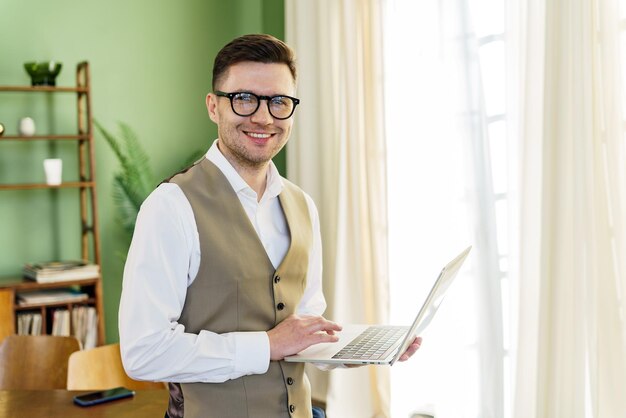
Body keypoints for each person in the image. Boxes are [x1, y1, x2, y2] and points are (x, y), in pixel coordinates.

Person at [118, 34, 421, 418]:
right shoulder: (170, 207)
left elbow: (303, 333)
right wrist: (267, 345)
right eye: (244, 98)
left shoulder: (302, 206)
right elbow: (143, 353)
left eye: (279, 102)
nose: (263, 117)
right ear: (214, 107)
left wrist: (363, 350)